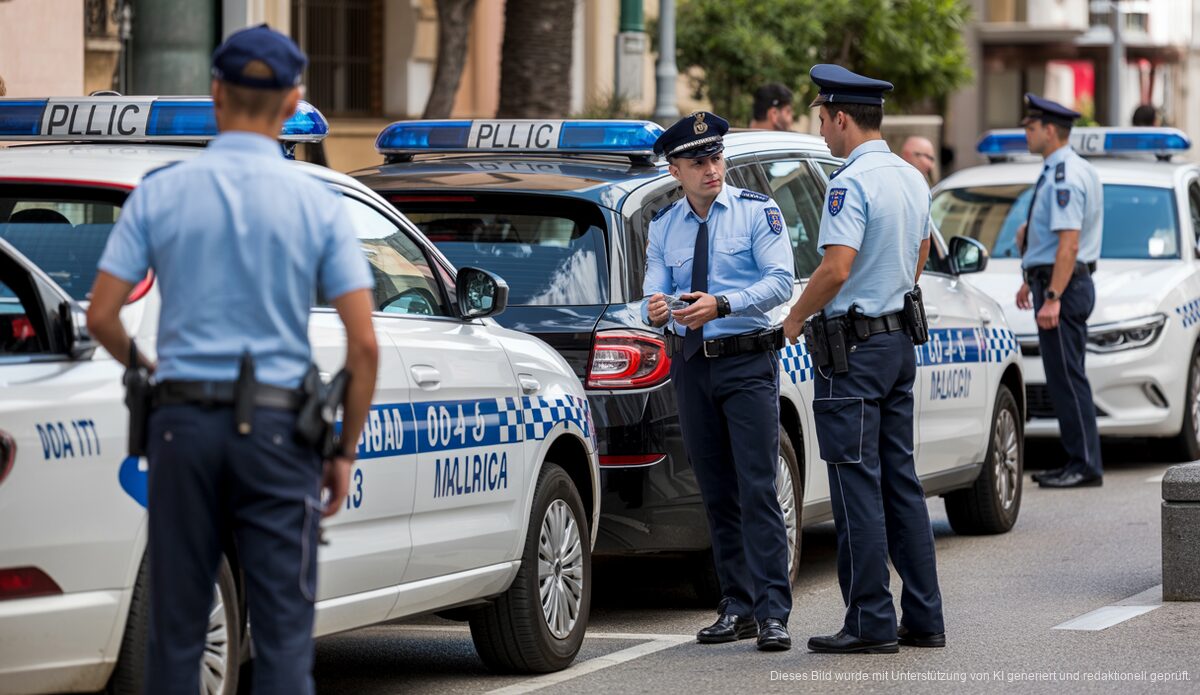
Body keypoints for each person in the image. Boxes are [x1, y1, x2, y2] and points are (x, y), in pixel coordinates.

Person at [85, 24, 379, 694]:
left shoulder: (161, 193)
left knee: (177, 634)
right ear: (292, 99)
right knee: (281, 640)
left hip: (182, 427)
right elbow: (363, 344)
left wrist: (150, 371)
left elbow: (101, 313)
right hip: (280, 434)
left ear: (216, 94)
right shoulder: (318, 200)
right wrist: (341, 449)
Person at [782, 64, 944, 655]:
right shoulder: (911, 177)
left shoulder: (850, 183)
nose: (823, 132)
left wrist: (796, 318)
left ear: (842, 118)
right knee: (901, 481)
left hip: (852, 352)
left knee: (856, 484)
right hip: (898, 342)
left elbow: (836, 267)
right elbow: (922, 246)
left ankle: (871, 621)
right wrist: (894, 286)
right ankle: (925, 617)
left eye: (823, 121)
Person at [644, 111, 795, 651]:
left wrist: (723, 303)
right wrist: (656, 309)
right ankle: (737, 605)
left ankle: (774, 611)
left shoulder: (758, 211)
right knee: (716, 491)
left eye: (716, 157)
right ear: (676, 169)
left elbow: (780, 282)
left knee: (757, 486)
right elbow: (651, 292)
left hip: (747, 361)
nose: (712, 169)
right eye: (698, 161)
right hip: (691, 363)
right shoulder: (664, 226)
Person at [1015, 93, 1104, 489]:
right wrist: (1029, 278)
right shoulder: (1059, 169)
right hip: (1055, 281)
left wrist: (1051, 296)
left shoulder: (1065, 174)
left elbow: (1069, 242)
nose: (1027, 134)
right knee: (1064, 376)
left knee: (1068, 378)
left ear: (1050, 130)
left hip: (1063, 287)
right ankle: (1076, 459)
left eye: (1031, 128)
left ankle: (1084, 464)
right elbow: (1054, 242)